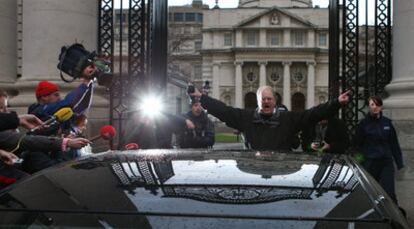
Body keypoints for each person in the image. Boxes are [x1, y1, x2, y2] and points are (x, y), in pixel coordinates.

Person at [190, 85, 350, 150]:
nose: (266, 101)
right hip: (255, 169)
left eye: (269, 99)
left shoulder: (288, 119)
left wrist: (336, 103)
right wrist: (202, 98)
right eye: (263, 99)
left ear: (275, 101)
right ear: (258, 102)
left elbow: (313, 114)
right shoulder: (245, 117)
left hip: (282, 171)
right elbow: (223, 111)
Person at [354, 96, 403, 204]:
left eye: (377, 105)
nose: (375, 107)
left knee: (389, 192)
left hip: (386, 161)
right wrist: (360, 162)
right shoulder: (363, 124)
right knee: (370, 192)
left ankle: (395, 217)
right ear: (368, 107)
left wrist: (399, 162)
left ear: (381, 107)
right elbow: (357, 146)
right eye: (372, 105)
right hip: (370, 162)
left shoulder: (387, 123)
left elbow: (394, 144)